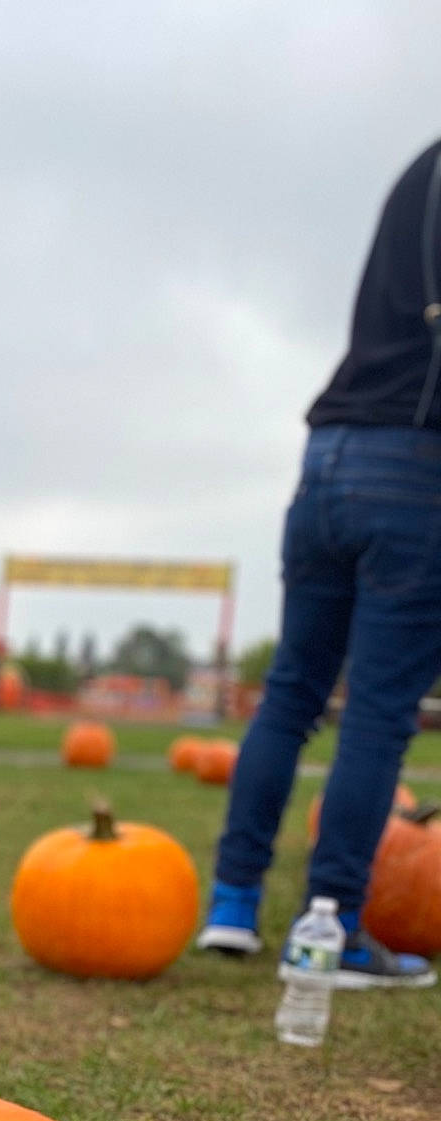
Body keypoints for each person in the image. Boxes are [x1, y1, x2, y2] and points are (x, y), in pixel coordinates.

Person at [199, 139, 441, 988]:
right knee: (378, 713)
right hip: (417, 459)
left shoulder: (424, 166)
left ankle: (232, 905)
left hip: (330, 452)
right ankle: (327, 931)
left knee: (294, 693)